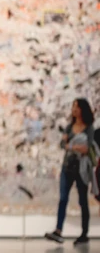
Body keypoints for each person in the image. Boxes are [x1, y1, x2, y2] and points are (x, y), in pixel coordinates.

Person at [45, 98, 96, 245]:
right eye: (73, 107)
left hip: (81, 169)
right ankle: (58, 231)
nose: (74, 109)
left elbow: (87, 148)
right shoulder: (69, 127)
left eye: (77, 107)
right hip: (67, 167)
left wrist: (71, 145)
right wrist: (73, 146)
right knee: (63, 199)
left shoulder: (88, 128)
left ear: (82, 110)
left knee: (82, 201)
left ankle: (84, 233)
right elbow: (63, 144)